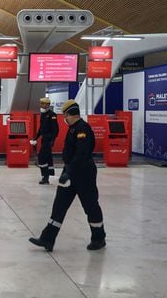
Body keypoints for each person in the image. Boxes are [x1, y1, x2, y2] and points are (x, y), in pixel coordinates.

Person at [29, 99, 106, 251]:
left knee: (90, 206)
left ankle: (99, 237)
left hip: (84, 174)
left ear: (70, 114)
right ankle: (47, 239)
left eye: (65, 115)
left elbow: (82, 154)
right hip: (70, 172)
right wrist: (67, 172)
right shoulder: (73, 128)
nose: (65, 119)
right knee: (59, 205)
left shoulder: (83, 129)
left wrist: (68, 171)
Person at [31, 97, 59, 184]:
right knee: (48, 158)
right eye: (41, 103)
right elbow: (41, 128)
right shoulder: (43, 114)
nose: (41, 105)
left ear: (47, 105)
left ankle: (45, 177)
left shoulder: (52, 115)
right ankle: (51, 176)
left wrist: (53, 140)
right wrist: (36, 137)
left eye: (42, 103)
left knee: (42, 157)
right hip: (44, 139)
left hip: (48, 140)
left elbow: (55, 129)